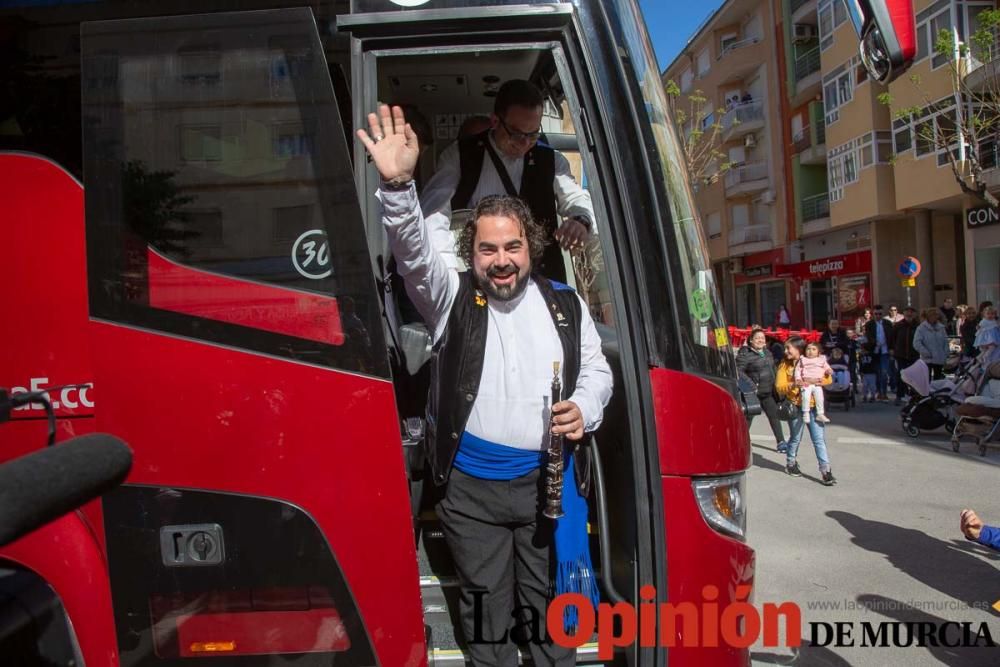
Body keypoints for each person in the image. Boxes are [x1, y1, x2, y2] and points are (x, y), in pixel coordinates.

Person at [358, 104, 613, 665]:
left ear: (531, 248)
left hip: (546, 491)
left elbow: (597, 371)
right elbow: (414, 258)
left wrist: (585, 407)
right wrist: (399, 186)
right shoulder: (449, 299)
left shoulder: (567, 306)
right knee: (486, 630)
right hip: (470, 496)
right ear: (469, 254)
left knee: (552, 631)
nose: (502, 261)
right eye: (488, 249)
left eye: (512, 247)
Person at [420, 79, 594, 283]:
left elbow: (576, 199)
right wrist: (447, 272)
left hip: (539, 279)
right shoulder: (460, 155)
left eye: (533, 134)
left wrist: (581, 221)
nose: (524, 143)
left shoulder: (551, 159)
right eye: (517, 133)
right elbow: (433, 214)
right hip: (480, 279)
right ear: (495, 121)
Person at [775, 336, 836, 485]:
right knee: (795, 437)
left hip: (814, 406)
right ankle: (791, 463)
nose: (786, 351)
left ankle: (825, 470)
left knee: (819, 439)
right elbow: (779, 386)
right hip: (796, 405)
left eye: (789, 348)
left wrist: (818, 380)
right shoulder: (785, 365)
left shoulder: (815, 361)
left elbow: (828, 379)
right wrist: (794, 384)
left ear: (799, 349)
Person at [736, 328, 785, 452]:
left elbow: (773, 370)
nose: (760, 340)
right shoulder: (745, 354)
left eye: (762, 338)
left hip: (768, 392)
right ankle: (741, 443)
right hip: (754, 392)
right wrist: (752, 386)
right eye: (757, 338)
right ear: (751, 340)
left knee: (774, 416)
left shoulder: (767, 352)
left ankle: (781, 442)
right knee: (748, 418)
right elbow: (739, 372)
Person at [795, 342, 833, 423]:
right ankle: (805, 413)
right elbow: (797, 370)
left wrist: (829, 371)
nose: (810, 351)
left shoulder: (821, 360)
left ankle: (820, 413)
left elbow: (827, 367)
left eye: (813, 349)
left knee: (820, 398)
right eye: (808, 349)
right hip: (806, 383)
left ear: (818, 352)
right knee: (805, 397)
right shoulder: (802, 360)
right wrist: (798, 379)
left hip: (817, 383)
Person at [863, 305, 893, 401]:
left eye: (880, 314)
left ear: (883, 314)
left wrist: (891, 348)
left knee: (884, 372)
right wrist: (875, 342)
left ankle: (883, 393)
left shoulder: (888, 323)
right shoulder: (869, 324)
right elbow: (868, 336)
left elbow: (892, 336)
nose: (878, 316)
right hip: (874, 351)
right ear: (873, 314)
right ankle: (878, 392)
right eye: (876, 314)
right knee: (876, 373)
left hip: (885, 351)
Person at [890, 306, 919, 404]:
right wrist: (892, 349)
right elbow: (892, 338)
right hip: (900, 355)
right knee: (900, 375)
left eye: (911, 312)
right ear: (904, 314)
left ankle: (913, 395)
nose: (909, 314)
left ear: (914, 314)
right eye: (907, 312)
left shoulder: (918, 326)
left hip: (914, 355)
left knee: (913, 376)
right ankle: (899, 395)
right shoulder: (898, 325)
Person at [913, 307, 949, 381]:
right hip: (928, 359)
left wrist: (946, 354)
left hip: (939, 358)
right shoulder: (921, 328)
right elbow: (916, 343)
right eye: (932, 315)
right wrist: (925, 352)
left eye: (936, 315)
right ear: (928, 316)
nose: (935, 317)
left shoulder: (941, 328)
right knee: (927, 380)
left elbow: (945, 342)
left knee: (938, 380)